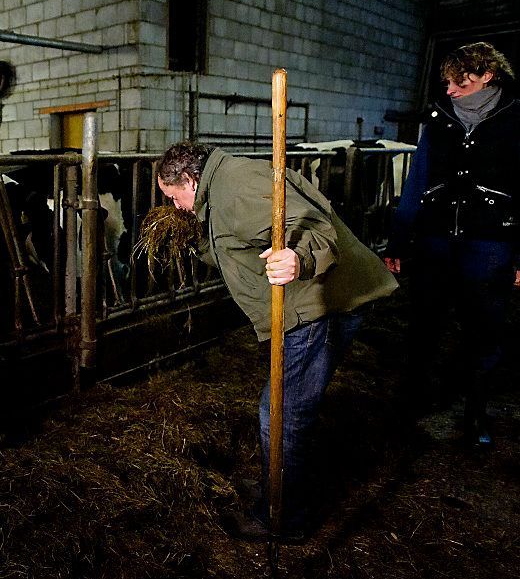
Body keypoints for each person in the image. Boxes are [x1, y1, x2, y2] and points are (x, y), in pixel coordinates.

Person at [156, 141, 398, 541]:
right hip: (321, 302)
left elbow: (316, 230)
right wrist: (194, 242)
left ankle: (283, 518)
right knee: (286, 409)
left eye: (174, 197)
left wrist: (298, 258)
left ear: (189, 179)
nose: (176, 207)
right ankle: (279, 490)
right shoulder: (221, 191)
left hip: (311, 305)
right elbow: (238, 248)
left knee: (281, 413)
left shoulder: (238, 187)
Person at [385, 41, 520, 446]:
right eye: (447, 81)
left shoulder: (515, 120)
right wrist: (398, 239)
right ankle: (410, 406)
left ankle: (475, 414)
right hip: (435, 240)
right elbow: (416, 180)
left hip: (489, 243)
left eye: (460, 81)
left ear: (487, 76)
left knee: (484, 331)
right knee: (423, 325)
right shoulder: (438, 119)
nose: (450, 90)